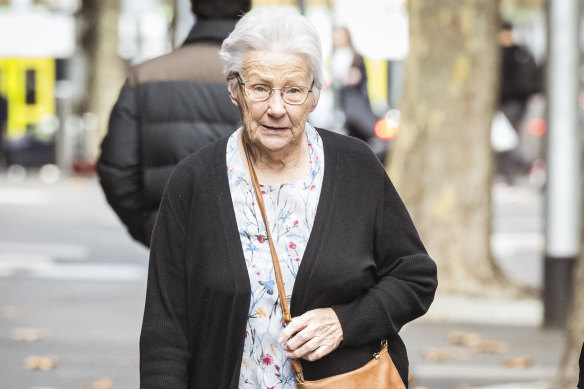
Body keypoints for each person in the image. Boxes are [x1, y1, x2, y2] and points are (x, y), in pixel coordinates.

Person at [140, 7, 438, 389]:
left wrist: (345, 322)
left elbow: (414, 275)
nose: (277, 109)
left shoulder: (355, 168)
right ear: (234, 90)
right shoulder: (193, 181)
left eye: (293, 90)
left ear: (314, 95)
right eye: (260, 88)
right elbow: (165, 329)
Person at [97, 0, 251, 247]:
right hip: (250, 239)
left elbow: (116, 168)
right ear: (248, 6)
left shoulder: (145, 76)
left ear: (192, 6)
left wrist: (153, 227)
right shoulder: (268, 78)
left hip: (172, 239)